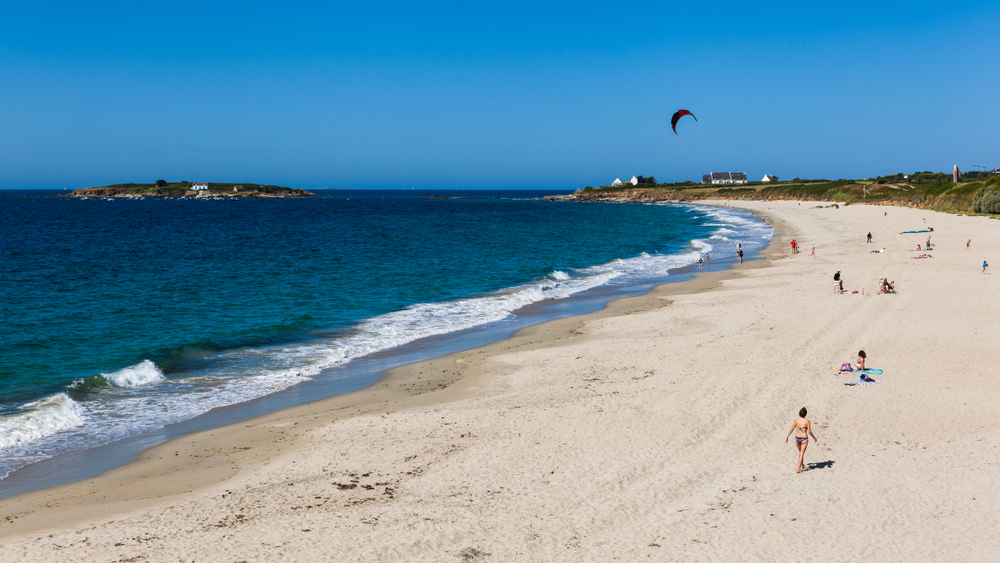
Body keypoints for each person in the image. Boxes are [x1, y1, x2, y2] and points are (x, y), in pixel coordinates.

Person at [785, 407, 818, 473]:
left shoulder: (796, 421)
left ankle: (802, 465)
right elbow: (809, 431)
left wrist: (787, 436)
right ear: (805, 414)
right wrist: (814, 437)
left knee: (800, 452)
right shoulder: (807, 421)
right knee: (802, 453)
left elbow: (791, 429)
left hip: (797, 438)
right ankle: (798, 468)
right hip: (804, 438)